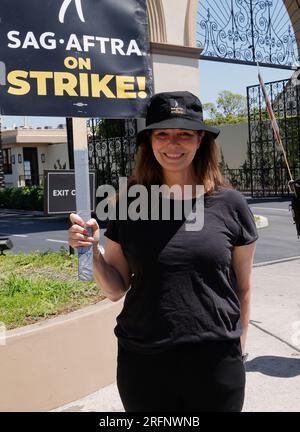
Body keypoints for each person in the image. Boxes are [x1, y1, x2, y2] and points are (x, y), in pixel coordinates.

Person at [68, 91, 258, 412]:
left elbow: (243, 286)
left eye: (184, 134)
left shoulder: (230, 204)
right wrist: (92, 253)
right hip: (144, 363)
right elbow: (116, 290)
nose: (173, 144)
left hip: (215, 361)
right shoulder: (128, 205)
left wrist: (238, 346)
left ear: (200, 140)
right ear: (149, 142)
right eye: (163, 134)